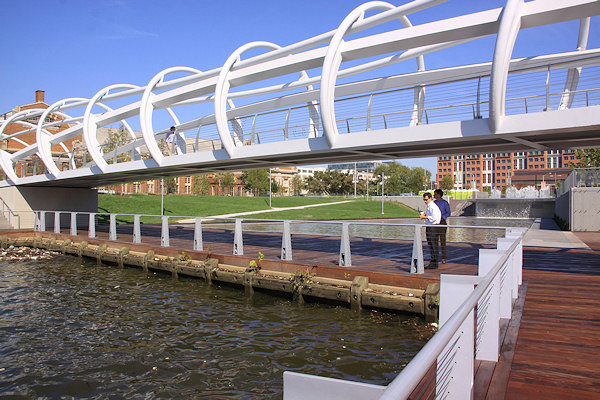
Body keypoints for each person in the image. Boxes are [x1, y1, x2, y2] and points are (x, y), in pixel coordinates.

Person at [420, 192, 441, 269]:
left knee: (433, 245)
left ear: (430, 198)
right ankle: (433, 262)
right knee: (431, 245)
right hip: (430, 226)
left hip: (433, 227)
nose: (425, 201)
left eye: (426, 200)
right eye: (424, 200)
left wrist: (424, 217)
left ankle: (434, 263)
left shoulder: (433, 206)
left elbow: (434, 218)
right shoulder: (430, 206)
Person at [434, 189, 451, 264]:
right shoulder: (433, 203)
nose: (434, 195)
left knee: (442, 240)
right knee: (434, 241)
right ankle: (435, 257)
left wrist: (442, 217)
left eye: (435, 194)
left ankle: (444, 257)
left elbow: (448, 213)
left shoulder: (445, 203)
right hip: (435, 223)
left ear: (439, 195)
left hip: (442, 222)